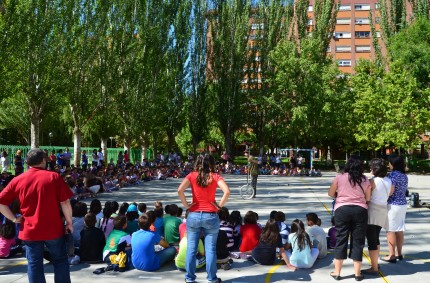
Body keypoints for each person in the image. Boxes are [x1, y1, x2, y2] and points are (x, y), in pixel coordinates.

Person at [0, 148, 73, 283]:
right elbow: (65, 202)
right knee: (60, 260)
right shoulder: (53, 177)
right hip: (53, 228)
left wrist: (14, 218)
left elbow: (1, 202)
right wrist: (69, 222)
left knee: (34, 264)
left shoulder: (19, 179)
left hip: (29, 229)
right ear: (43, 160)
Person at [177, 154, 230, 283]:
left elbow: (180, 190)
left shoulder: (192, 175)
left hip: (194, 214)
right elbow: (227, 191)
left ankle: (190, 278)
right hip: (211, 215)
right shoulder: (215, 176)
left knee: (191, 248)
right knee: (210, 249)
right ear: (211, 163)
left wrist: (187, 206)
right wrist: (218, 206)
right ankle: (211, 278)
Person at [328, 155, 371, 281]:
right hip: (360, 210)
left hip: (342, 209)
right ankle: (357, 273)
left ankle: (337, 272)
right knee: (358, 240)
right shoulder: (364, 179)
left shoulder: (340, 177)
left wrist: (339, 194)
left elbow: (331, 193)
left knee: (341, 238)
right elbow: (368, 198)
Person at [364, 158, 394, 274]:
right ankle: (375, 263)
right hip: (383, 211)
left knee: (372, 240)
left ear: (375, 168)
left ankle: (374, 267)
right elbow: (391, 193)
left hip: (373, 211)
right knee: (376, 238)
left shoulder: (372, 181)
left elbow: (367, 196)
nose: (370, 168)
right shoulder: (388, 181)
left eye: (371, 166)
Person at [382, 155, 408, 263]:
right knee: (399, 229)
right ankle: (399, 253)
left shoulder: (392, 176)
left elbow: (391, 191)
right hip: (402, 205)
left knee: (390, 230)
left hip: (393, 205)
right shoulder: (404, 175)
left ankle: (391, 254)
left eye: (389, 163)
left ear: (393, 164)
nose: (389, 164)